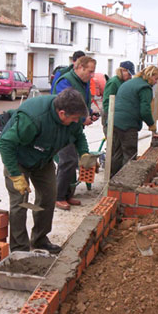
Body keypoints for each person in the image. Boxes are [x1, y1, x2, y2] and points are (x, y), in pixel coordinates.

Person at [0, 88, 90, 254]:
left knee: (48, 196)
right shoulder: (33, 118)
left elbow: (79, 135)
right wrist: (16, 176)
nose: (77, 122)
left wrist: (84, 154)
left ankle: (39, 240)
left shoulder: (72, 117)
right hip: (18, 160)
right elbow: (5, 144)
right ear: (62, 113)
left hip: (43, 159)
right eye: (74, 119)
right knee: (20, 202)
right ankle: (20, 249)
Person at [52, 56, 98, 210]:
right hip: (62, 127)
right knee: (68, 160)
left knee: (72, 162)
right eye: (90, 71)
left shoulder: (83, 83)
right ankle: (58, 197)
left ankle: (67, 195)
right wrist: (82, 118)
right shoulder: (66, 82)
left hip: (74, 126)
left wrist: (89, 114)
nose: (92, 75)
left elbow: (84, 103)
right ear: (80, 67)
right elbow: (65, 106)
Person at [111, 65, 158, 176]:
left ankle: (112, 181)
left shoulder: (129, 83)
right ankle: (126, 182)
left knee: (117, 153)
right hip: (128, 125)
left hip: (114, 122)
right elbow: (145, 110)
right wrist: (151, 124)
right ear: (150, 75)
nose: (156, 82)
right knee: (130, 154)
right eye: (156, 78)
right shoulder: (145, 87)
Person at [101, 60, 135, 137]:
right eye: (129, 74)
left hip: (119, 115)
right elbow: (107, 101)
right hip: (110, 114)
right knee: (112, 141)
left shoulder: (124, 82)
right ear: (122, 71)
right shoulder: (114, 82)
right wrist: (109, 119)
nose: (130, 77)